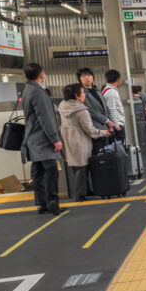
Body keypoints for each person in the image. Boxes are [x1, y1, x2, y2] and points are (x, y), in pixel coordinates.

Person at [21, 63, 64, 215]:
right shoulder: (38, 92)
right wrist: (55, 139)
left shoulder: (26, 90)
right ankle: (52, 202)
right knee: (51, 169)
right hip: (42, 138)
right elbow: (45, 118)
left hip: (31, 137)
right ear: (41, 75)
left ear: (25, 76)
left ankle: (42, 204)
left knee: (38, 171)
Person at [58, 83, 110, 201]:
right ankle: (80, 194)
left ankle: (85, 191)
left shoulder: (62, 106)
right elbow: (90, 130)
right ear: (77, 95)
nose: (84, 95)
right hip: (80, 141)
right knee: (82, 167)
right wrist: (104, 132)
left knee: (75, 167)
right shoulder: (81, 110)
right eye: (82, 92)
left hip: (67, 139)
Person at [77, 67, 113, 140]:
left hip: (106, 127)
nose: (87, 78)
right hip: (95, 129)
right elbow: (89, 110)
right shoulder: (81, 93)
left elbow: (106, 107)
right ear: (80, 79)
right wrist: (106, 120)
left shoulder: (97, 91)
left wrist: (111, 122)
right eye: (83, 76)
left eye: (89, 75)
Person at [101, 69, 126, 143]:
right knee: (119, 148)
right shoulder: (112, 92)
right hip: (117, 125)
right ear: (118, 80)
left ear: (106, 80)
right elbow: (112, 110)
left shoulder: (106, 90)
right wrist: (117, 126)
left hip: (113, 124)